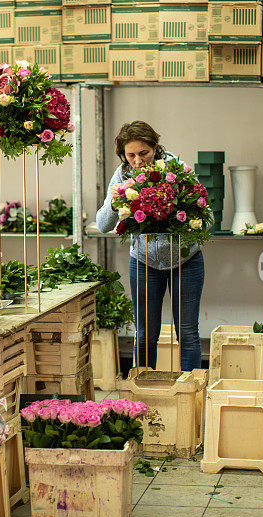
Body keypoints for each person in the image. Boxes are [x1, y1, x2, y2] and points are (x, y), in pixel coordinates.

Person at [96, 121, 205, 372]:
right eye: (130, 155)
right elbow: (102, 225)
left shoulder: (175, 168)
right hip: (145, 263)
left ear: (155, 147)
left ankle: (192, 394)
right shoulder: (122, 174)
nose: (137, 161)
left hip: (186, 261)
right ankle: (144, 394)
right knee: (145, 335)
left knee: (187, 333)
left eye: (143, 153)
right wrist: (115, 201)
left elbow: (203, 211)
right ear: (123, 154)